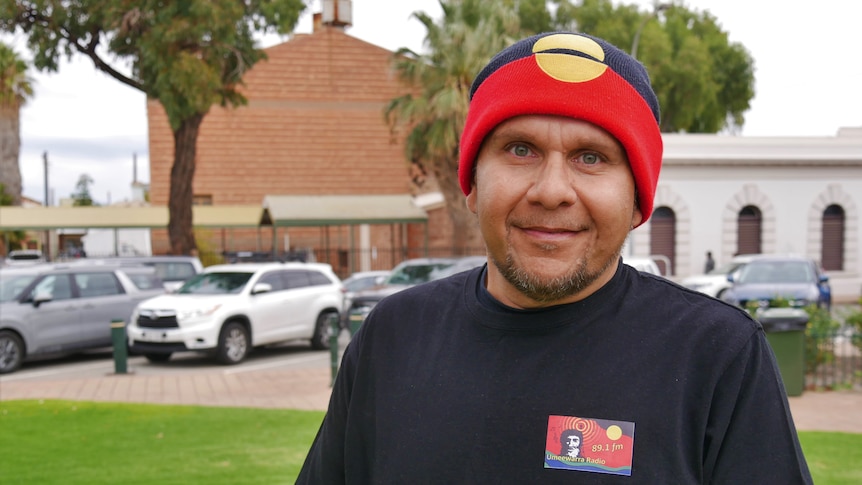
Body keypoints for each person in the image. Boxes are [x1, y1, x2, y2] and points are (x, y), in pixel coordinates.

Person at [297, 32, 812, 483]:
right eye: (520, 149)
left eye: (591, 157)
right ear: (472, 184)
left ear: (637, 201)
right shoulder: (392, 337)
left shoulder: (718, 355)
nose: (551, 191)